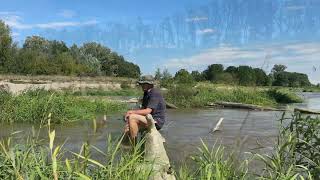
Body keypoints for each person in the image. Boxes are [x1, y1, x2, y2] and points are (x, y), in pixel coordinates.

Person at [124, 75, 166, 144]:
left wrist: (131, 112)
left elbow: (148, 111)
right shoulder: (146, 93)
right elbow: (143, 109)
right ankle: (126, 145)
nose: (142, 86)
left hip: (156, 121)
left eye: (143, 84)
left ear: (149, 84)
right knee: (128, 127)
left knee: (132, 117)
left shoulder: (154, 93)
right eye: (141, 84)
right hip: (148, 118)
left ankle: (134, 147)